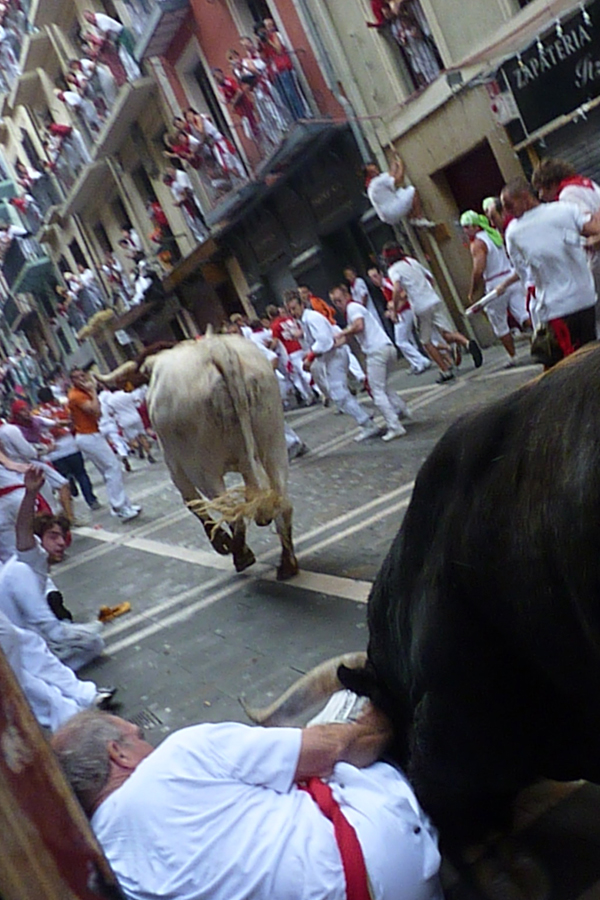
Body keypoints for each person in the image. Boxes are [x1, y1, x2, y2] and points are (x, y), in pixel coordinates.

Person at [51, 706, 442, 900]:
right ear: (118, 753)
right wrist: (376, 721)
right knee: (350, 739)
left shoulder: (110, 869)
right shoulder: (181, 753)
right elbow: (334, 747)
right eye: (138, 736)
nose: (147, 743)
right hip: (387, 876)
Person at [0, 466, 104, 671]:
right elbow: (23, 528)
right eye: (53, 537)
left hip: (25, 638)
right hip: (18, 643)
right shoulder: (30, 558)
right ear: (38, 539)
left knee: (92, 640)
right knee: (91, 642)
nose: (61, 543)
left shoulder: (34, 565)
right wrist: (30, 494)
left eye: (62, 538)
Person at [501, 177, 600, 362]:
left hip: (556, 307)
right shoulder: (565, 209)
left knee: (568, 363)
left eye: (509, 205)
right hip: (585, 297)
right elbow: (595, 228)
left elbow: (524, 273)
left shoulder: (513, 232)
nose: (506, 211)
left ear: (525, 197)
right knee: (591, 357)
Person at [382, 242, 482, 383]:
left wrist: (395, 307)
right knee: (446, 332)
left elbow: (397, 288)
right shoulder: (412, 261)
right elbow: (430, 279)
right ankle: (467, 343)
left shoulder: (394, 270)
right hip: (434, 299)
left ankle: (445, 371)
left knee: (426, 341)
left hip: (420, 306)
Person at [286, 294, 381, 441]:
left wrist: (310, 357)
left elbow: (324, 341)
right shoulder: (306, 320)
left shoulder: (311, 318)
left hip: (334, 356)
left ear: (302, 305)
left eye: (294, 308)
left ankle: (367, 422)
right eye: (290, 310)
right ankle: (365, 415)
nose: (293, 312)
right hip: (331, 357)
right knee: (337, 393)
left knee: (338, 393)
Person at [331, 284, 410, 442]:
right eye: (335, 302)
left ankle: (395, 426)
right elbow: (351, 334)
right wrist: (333, 344)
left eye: (339, 300)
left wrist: (342, 332)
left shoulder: (353, 308)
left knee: (376, 391)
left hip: (376, 352)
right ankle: (401, 410)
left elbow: (358, 326)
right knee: (383, 386)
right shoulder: (353, 309)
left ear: (347, 296)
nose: (338, 304)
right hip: (386, 348)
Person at [531, 158, 600, 330]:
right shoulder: (586, 184)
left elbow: (591, 224)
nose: (540, 196)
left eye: (541, 189)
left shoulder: (567, 195)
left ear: (551, 183)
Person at [68, 369, 141, 520]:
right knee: (112, 467)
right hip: (88, 435)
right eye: (76, 377)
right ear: (72, 381)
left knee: (109, 471)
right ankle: (119, 506)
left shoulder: (82, 393)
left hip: (91, 434)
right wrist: (93, 391)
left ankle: (123, 505)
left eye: (82, 375)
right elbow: (94, 410)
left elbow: (98, 413)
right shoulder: (76, 395)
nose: (81, 379)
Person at [460, 210, 529, 367]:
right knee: (524, 314)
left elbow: (479, 269)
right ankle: (546, 339)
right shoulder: (493, 235)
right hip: (511, 277)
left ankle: (513, 356)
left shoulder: (477, 243)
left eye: (467, 227)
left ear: (475, 226)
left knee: (499, 323)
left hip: (495, 284)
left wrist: (472, 290)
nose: (465, 230)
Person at [35, 386, 100, 513]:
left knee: (63, 478)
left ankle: (70, 484)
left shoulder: (37, 414)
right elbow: (73, 422)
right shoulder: (63, 407)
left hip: (54, 452)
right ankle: (91, 500)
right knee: (81, 474)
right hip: (71, 446)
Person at [368, 267, 431, 374]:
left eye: (375, 276)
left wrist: (395, 308)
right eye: (371, 278)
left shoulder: (388, 284)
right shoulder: (383, 287)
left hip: (405, 312)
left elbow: (403, 294)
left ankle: (421, 361)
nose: (374, 280)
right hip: (402, 312)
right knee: (408, 339)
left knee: (400, 341)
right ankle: (416, 363)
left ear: (381, 274)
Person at [364, 158, 431, 227]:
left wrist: (395, 161)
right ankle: (419, 218)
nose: (375, 171)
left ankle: (412, 218)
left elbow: (391, 174)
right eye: (372, 171)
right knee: (412, 190)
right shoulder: (376, 181)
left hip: (387, 216)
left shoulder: (371, 185)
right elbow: (399, 179)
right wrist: (401, 165)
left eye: (374, 168)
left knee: (402, 192)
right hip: (393, 211)